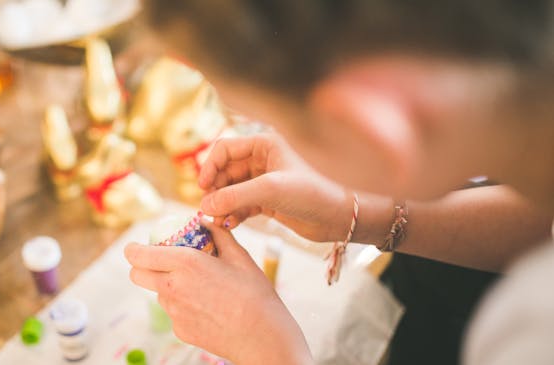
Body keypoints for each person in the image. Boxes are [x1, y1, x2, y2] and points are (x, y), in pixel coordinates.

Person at [124, 1, 554, 364]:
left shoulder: (531, 331)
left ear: (370, 131)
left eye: (274, 122)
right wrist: (366, 214)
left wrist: (272, 351)